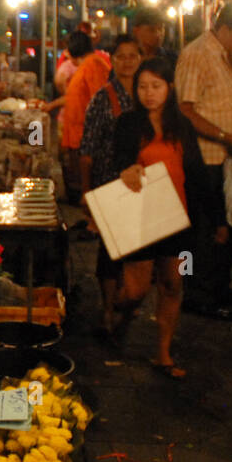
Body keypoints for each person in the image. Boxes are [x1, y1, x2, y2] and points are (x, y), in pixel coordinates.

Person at [100, 57, 226, 376]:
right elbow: (118, 161)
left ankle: (163, 353)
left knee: (173, 284)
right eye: (142, 86)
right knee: (135, 291)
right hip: (142, 218)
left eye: (156, 86)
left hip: (180, 221)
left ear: (169, 87)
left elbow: (196, 171)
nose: (149, 93)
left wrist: (217, 218)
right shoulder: (128, 123)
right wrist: (125, 171)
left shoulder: (181, 125)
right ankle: (120, 314)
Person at [174, 1, 232, 320]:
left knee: (229, 225)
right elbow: (186, 110)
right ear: (222, 29)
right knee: (206, 230)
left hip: (231, 159)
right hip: (205, 159)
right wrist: (224, 135)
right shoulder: (197, 55)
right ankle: (196, 294)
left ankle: (219, 288)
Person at [79, 34, 142, 338]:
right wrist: (86, 191)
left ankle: (126, 301)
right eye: (121, 56)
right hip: (109, 182)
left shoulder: (149, 95)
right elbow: (87, 149)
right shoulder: (103, 98)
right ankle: (107, 308)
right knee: (110, 251)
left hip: (143, 184)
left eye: (133, 56)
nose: (127, 61)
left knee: (137, 249)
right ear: (112, 61)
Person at [56, 30, 113, 200]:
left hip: (86, 139)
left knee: (88, 189)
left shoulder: (95, 65)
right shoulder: (88, 65)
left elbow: (99, 102)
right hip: (78, 136)